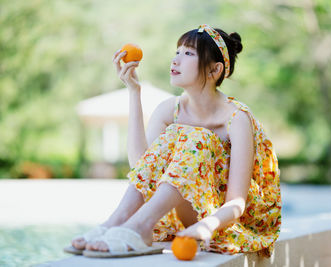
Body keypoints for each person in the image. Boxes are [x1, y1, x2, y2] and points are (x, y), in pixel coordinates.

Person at [68, 24, 281, 257]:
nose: (176, 60)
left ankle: (138, 227)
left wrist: (204, 226)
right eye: (177, 52)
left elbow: (237, 204)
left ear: (215, 70)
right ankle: (117, 221)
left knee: (196, 137)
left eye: (188, 53)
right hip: (179, 216)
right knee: (179, 134)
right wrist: (134, 92)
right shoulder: (170, 110)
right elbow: (143, 168)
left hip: (220, 221)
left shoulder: (236, 118)